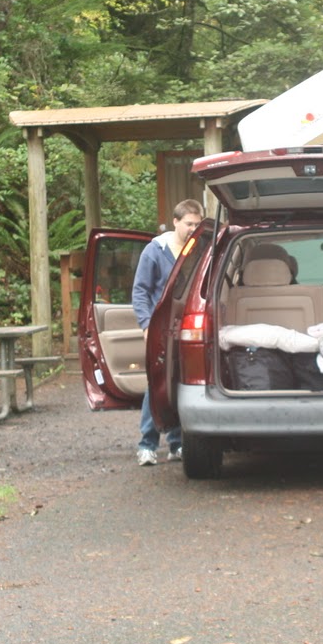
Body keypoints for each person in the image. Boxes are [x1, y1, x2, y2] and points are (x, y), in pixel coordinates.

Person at [130, 198, 203, 465]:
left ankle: (176, 444)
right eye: (188, 224)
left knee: (183, 383)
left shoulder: (200, 249)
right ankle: (147, 445)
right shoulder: (155, 250)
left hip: (188, 328)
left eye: (197, 224)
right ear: (175, 222)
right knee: (157, 384)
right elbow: (140, 291)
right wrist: (146, 324)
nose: (192, 229)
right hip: (160, 329)